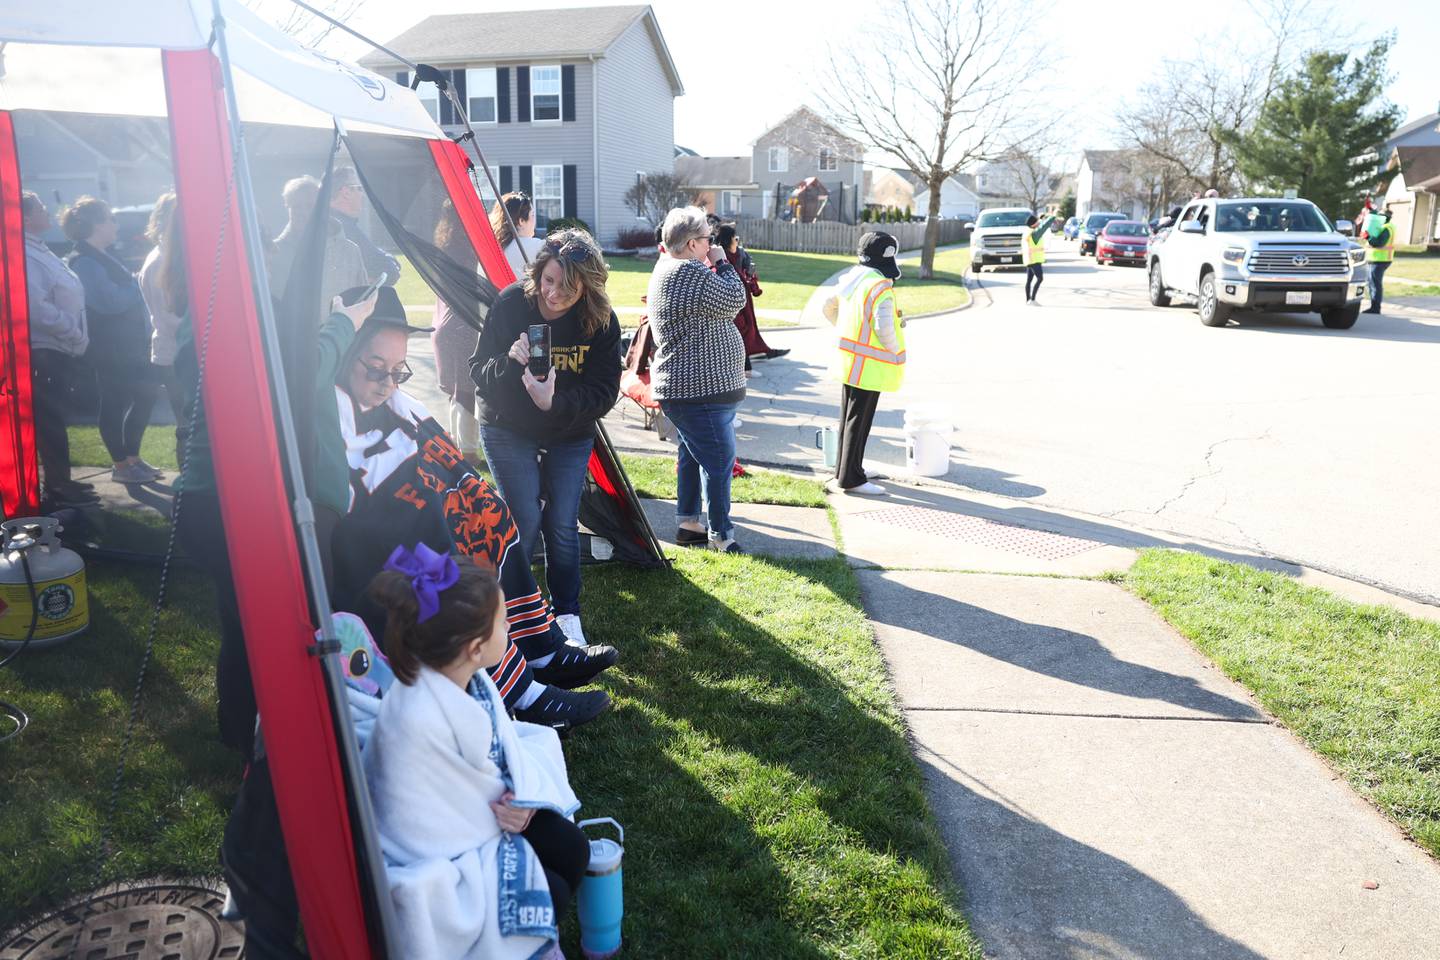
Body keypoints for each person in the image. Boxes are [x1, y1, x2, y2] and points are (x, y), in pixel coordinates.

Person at [335, 293, 615, 726]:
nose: (388, 382)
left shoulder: (395, 403)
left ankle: (538, 646)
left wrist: (467, 493)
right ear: (346, 354)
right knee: (451, 560)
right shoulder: (332, 413)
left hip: (412, 513)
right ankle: (520, 692)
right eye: (376, 368)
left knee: (492, 515)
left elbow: (438, 457)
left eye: (398, 371)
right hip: (374, 540)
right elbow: (357, 492)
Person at [365, 548, 588, 960]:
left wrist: (520, 799)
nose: (509, 629)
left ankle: (539, 936)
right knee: (551, 890)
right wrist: (505, 810)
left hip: (486, 815)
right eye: (503, 623)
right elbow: (430, 814)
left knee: (573, 848)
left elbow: (494, 753)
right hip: (441, 849)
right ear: (474, 647)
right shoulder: (417, 717)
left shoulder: (467, 678)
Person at [470, 228, 622, 646]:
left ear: (587, 289)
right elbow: (477, 371)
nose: (552, 294)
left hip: (568, 430)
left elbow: (604, 392)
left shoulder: (601, 321)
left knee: (561, 523)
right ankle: (514, 614)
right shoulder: (511, 303)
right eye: (548, 280)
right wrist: (507, 363)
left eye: (567, 289)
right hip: (506, 424)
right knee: (524, 518)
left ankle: (567, 614)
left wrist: (554, 404)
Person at [647, 206, 748, 552]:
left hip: (691, 389)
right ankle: (722, 535)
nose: (712, 244)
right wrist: (722, 262)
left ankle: (689, 524)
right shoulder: (687, 271)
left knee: (693, 455)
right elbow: (736, 299)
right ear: (692, 244)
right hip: (698, 391)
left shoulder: (671, 267)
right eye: (708, 239)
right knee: (719, 460)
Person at [62, 195, 162, 485]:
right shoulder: (84, 261)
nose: (115, 224)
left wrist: (132, 281)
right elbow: (109, 302)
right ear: (95, 224)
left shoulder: (103, 255)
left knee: (146, 394)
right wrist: (135, 283)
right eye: (110, 219)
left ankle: (133, 458)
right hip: (109, 347)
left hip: (128, 345)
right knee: (114, 402)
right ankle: (121, 466)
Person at [22, 192, 95, 508]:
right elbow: (35, 307)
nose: (47, 211)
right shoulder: (22, 253)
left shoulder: (38, 248)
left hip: (60, 348)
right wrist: (72, 330)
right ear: (23, 217)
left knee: (55, 420)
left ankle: (60, 482)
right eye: (40, 207)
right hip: (45, 350)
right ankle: (57, 488)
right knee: (49, 422)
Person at [822, 231, 907, 496]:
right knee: (859, 421)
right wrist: (895, 349)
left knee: (848, 418)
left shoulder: (852, 278)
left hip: (849, 362)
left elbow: (827, 307)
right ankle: (850, 479)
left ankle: (847, 469)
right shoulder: (880, 285)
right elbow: (883, 327)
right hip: (870, 366)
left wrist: (846, 329)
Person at [430, 200, 482, 460]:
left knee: (456, 392)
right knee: (467, 390)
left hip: (445, 325)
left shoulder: (444, 246)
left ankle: (457, 446)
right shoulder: (468, 250)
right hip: (463, 325)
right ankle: (469, 452)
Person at [270, 174, 366, 308]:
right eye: (296, 206)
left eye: (310, 206)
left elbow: (362, 300)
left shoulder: (349, 252)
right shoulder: (273, 254)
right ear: (287, 208)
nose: (302, 212)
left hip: (342, 327)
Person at [138, 192, 188, 440]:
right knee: (187, 425)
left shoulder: (172, 257)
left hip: (181, 350)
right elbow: (167, 318)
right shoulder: (159, 261)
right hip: (175, 353)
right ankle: (189, 477)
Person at [716, 224, 787, 373]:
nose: (737, 240)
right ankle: (746, 368)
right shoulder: (721, 258)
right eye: (735, 238)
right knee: (742, 330)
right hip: (733, 302)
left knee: (748, 330)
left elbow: (747, 274)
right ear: (729, 240)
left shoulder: (739, 254)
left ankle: (755, 358)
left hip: (744, 299)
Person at [329, 165, 400, 285]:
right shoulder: (342, 228)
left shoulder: (335, 222)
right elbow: (390, 272)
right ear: (346, 192)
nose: (362, 195)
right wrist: (390, 260)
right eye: (360, 188)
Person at [492, 190, 544, 280]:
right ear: (521, 221)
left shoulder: (492, 249)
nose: (535, 220)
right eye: (533, 215)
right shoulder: (539, 247)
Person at [1362, 208, 1395, 315]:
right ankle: (1374, 306)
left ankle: (1375, 308)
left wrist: (1368, 237)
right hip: (1378, 259)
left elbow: (1378, 243)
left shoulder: (1386, 228)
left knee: (1375, 284)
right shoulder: (1386, 227)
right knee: (1372, 283)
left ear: (1384, 217)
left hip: (1379, 260)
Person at [1022, 212, 1056, 306]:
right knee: (1040, 278)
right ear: (1033, 224)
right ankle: (1032, 299)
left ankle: (1028, 300)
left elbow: (1041, 224)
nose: (1038, 222)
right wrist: (1053, 216)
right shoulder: (1034, 233)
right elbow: (1044, 227)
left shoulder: (1027, 231)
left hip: (1029, 260)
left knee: (1029, 281)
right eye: (1037, 222)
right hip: (1034, 260)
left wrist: (1042, 218)